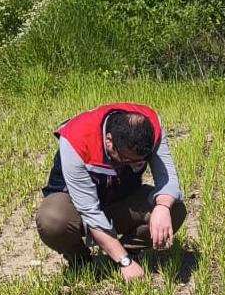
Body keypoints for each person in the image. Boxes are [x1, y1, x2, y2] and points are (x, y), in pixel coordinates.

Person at [35, 103, 185, 280]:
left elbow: (168, 178)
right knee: (52, 219)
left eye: (140, 162)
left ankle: (121, 254)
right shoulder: (76, 139)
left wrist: (163, 206)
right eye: (128, 160)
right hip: (76, 209)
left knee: (175, 210)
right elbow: (90, 211)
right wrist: (125, 262)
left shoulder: (151, 126)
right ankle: (81, 260)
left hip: (120, 202)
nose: (134, 166)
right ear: (109, 141)